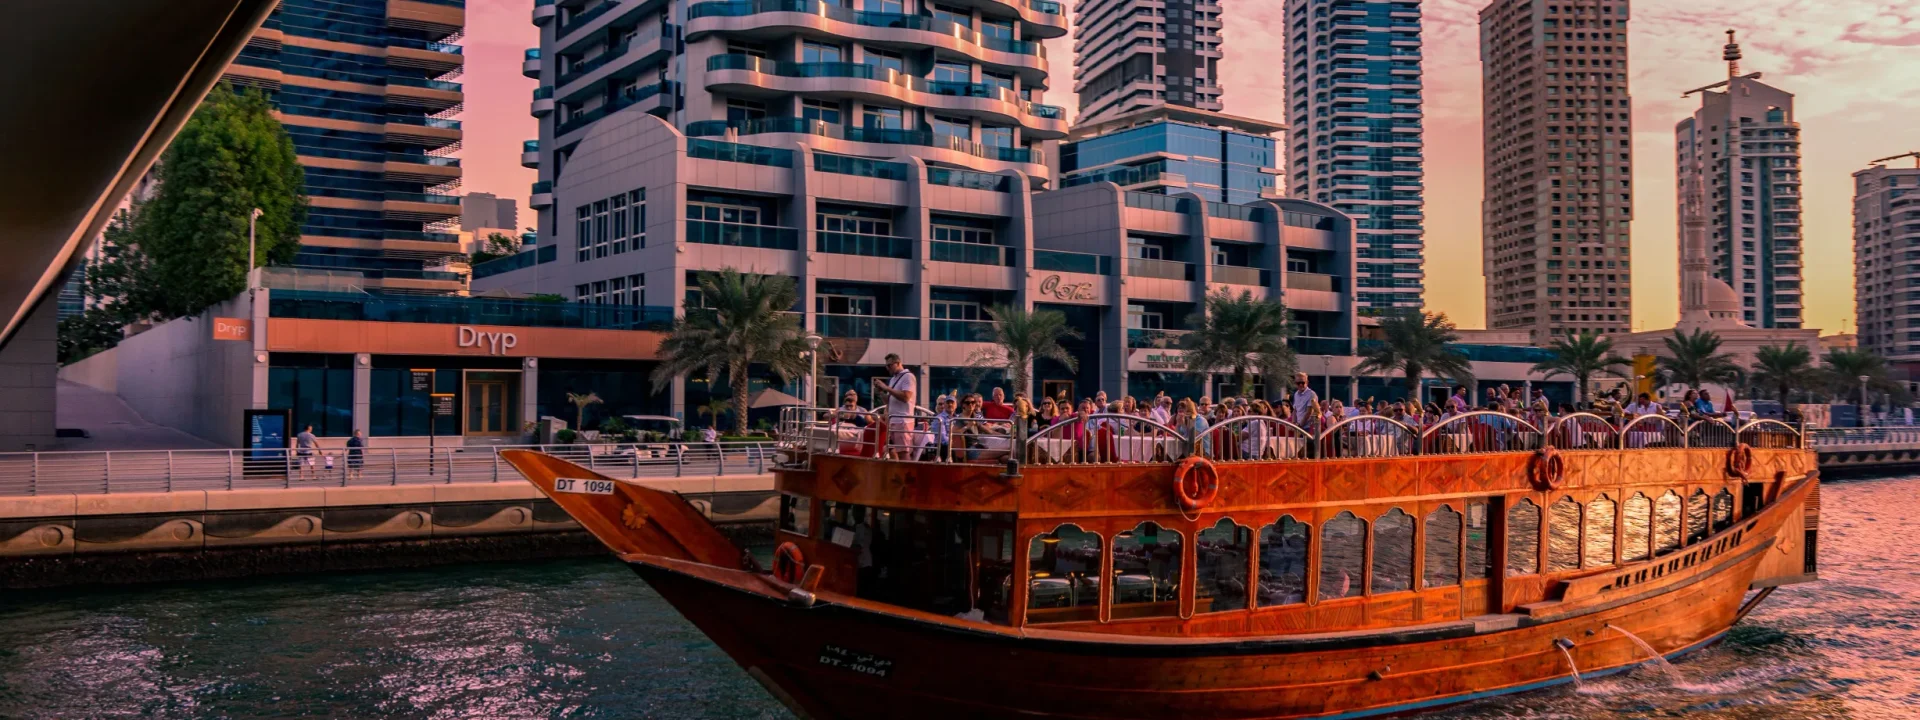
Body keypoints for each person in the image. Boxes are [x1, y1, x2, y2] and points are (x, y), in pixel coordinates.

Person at [873, 354, 917, 459]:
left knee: (903, 452)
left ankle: (907, 474)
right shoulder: (894, 379)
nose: (888, 368)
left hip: (903, 420)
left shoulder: (908, 376)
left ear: (898, 363)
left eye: (890, 365)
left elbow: (906, 397)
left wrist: (886, 388)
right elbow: (889, 400)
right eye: (886, 366)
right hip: (893, 420)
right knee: (889, 450)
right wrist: (880, 391)